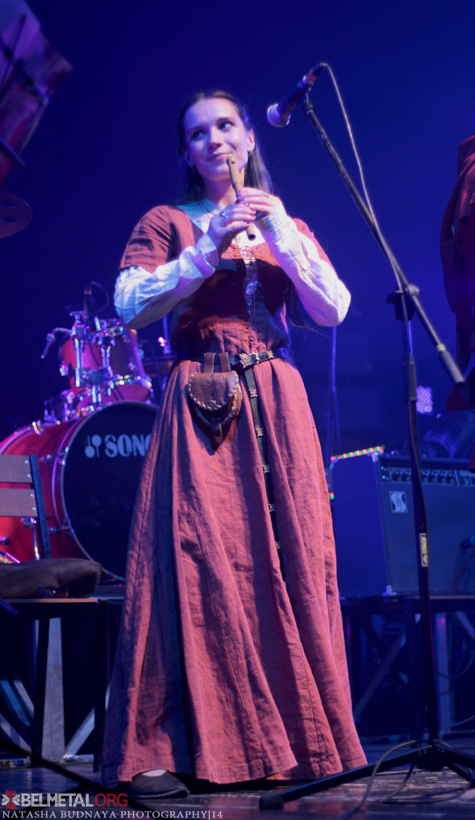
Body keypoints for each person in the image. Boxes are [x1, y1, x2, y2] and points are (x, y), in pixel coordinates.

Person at [102, 90, 366, 798]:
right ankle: (171, 746)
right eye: (198, 134)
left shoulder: (285, 222)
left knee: (289, 559)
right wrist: (206, 247)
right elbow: (129, 307)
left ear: (249, 137)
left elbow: (333, 308)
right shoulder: (166, 221)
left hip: (277, 402)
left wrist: (277, 231)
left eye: (225, 126)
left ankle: (301, 740)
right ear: (186, 152)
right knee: (198, 561)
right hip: (203, 399)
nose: (214, 140)